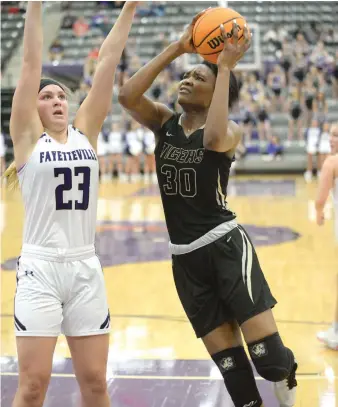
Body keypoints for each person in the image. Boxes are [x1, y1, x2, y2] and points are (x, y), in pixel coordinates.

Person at [119, 15, 297, 407]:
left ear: (218, 92)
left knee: (270, 365)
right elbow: (127, 97)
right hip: (185, 259)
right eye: (188, 76)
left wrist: (226, 66)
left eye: (200, 78)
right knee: (237, 380)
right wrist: (177, 49)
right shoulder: (164, 122)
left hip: (226, 247)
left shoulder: (230, 129)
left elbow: (214, 138)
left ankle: (290, 369)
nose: (187, 80)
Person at [3, 2, 138, 406]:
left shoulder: (86, 136)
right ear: (34, 108)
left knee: (96, 381)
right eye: (47, 96)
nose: (57, 100)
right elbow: (30, 64)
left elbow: (108, 62)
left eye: (62, 95)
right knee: (33, 384)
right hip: (40, 268)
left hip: (84, 267)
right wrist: (35, 6)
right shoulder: (28, 141)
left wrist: (130, 6)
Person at [315, 123, 338, 350]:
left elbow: (320, 198)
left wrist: (320, 212)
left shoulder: (332, 162)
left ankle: (337, 332)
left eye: (336, 136)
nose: (332, 139)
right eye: (330, 135)